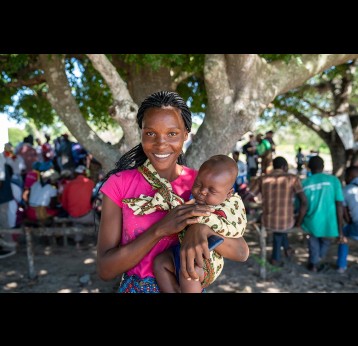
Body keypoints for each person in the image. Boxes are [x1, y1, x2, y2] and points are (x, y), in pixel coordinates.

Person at [97, 90, 249, 293]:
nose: (161, 143)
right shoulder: (119, 184)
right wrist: (160, 229)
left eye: (172, 133)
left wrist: (202, 229)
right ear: (140, 132)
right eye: (150, 133)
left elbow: (241, 252)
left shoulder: (202, 185)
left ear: (186, 134)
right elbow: (106, 270)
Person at [147, 155, 247, 293]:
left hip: (204, 261)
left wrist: (203, 223)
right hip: (180, 251)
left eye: (211, 191)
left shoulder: (228, 208)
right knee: (160, 262)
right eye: (198, 184)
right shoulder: (192, 199)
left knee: (189, 272)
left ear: (228, 194)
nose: (202, 192)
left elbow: (236, 232)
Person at [249, 156, 307, 265]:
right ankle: (277, 257)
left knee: (277, 224)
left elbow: (249, 196)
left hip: (268, 221)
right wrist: (299, 222)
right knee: (282, 225)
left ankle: (285, 249)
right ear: (284, 167)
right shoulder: (293, 178)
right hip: (287, 221)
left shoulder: (262, 179)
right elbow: (304, 202)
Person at [301, 156, 344, 272]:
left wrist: (298, 221)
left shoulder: (305, 183)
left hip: (311, 222)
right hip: (330, 223)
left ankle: (314, 263)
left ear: (309, 168)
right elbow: (339, 205)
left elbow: (301, 205)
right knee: (326, 242)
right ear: (323, 166)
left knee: (313, 243)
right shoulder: (334, 180)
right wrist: (340, 230)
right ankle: (317, 260)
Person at [336, 166, 358, 273]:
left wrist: (349, 221)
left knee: (343, 236)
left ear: (350, 176)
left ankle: (341, 265)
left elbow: (343, 212)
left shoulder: (346, 190)